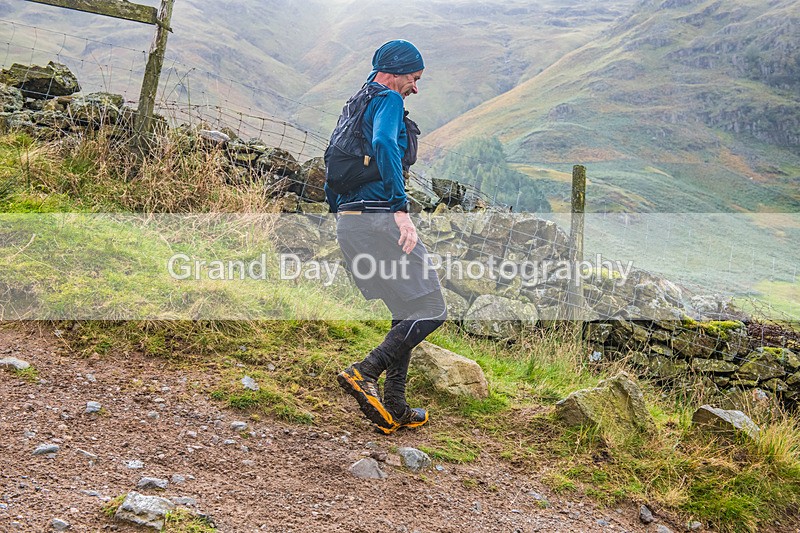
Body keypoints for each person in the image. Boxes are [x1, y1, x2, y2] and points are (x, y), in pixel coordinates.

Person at [324, 39, 447, 435]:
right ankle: (365, 371)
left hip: (352, 221)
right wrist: (400, 208)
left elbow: (334, 165)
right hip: (379, 218)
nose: (415, 87)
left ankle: (395, 403)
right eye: (414, 78)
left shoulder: (356, 102)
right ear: (394, 73)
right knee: (431, 309)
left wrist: (342, 212)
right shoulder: (388, 100)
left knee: (405, 308)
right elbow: (382, 145)